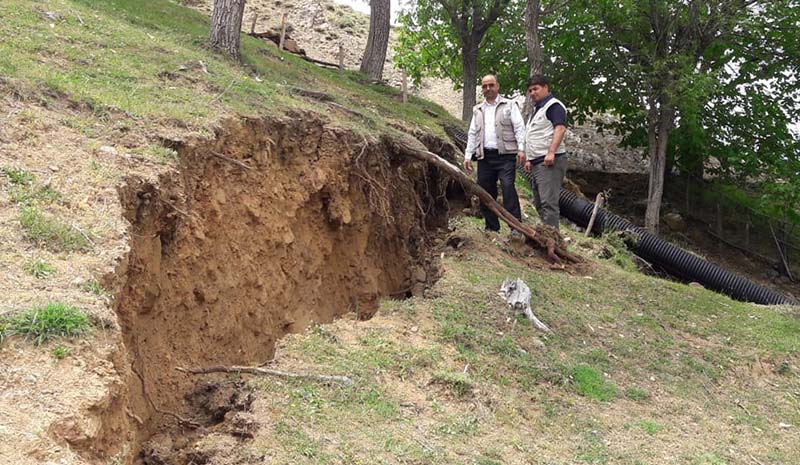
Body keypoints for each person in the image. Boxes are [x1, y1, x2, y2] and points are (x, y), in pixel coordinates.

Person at [463, 74, 526, 233]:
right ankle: (492, 227)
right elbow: (472, 133)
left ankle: (516, 227)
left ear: (498, 86)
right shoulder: (478, 110)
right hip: (485, 157)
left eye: (491, 85)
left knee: (507, 187)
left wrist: (521, 148)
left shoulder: (510, 105)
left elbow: (519, 127)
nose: (488, 89)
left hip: (506, 156)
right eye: (484, 86)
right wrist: (468, 155)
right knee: (485, 191)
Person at [524, 75, 568, 230]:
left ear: (546, 87)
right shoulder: (537, 109)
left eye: (536, 89)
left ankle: (552, 238)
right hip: (537, 161)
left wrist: (551, 152)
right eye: (530, 90)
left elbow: (560, 128)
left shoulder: (554, 106)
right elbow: (536, 135)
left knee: (548, 202)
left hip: (549, 161)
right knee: (539, 201)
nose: (532, 93)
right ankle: (546, 232)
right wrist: (529, 159)